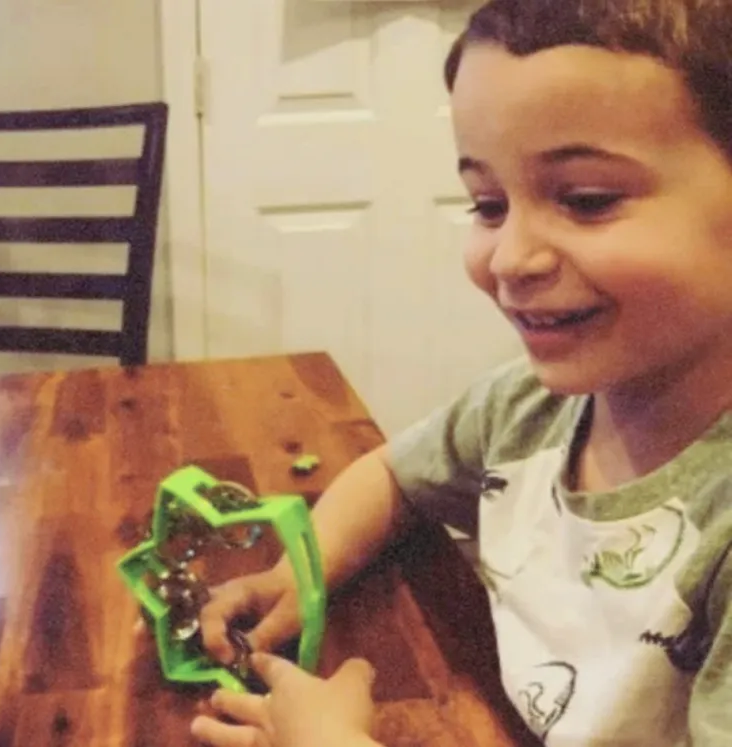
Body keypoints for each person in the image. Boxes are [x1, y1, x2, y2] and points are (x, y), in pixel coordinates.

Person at [185, 0, 732, 744]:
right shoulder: (524, 408)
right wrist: (296, 577)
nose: (509, 258)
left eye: (587, 199)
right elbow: (394, 475)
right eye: (488, 203)